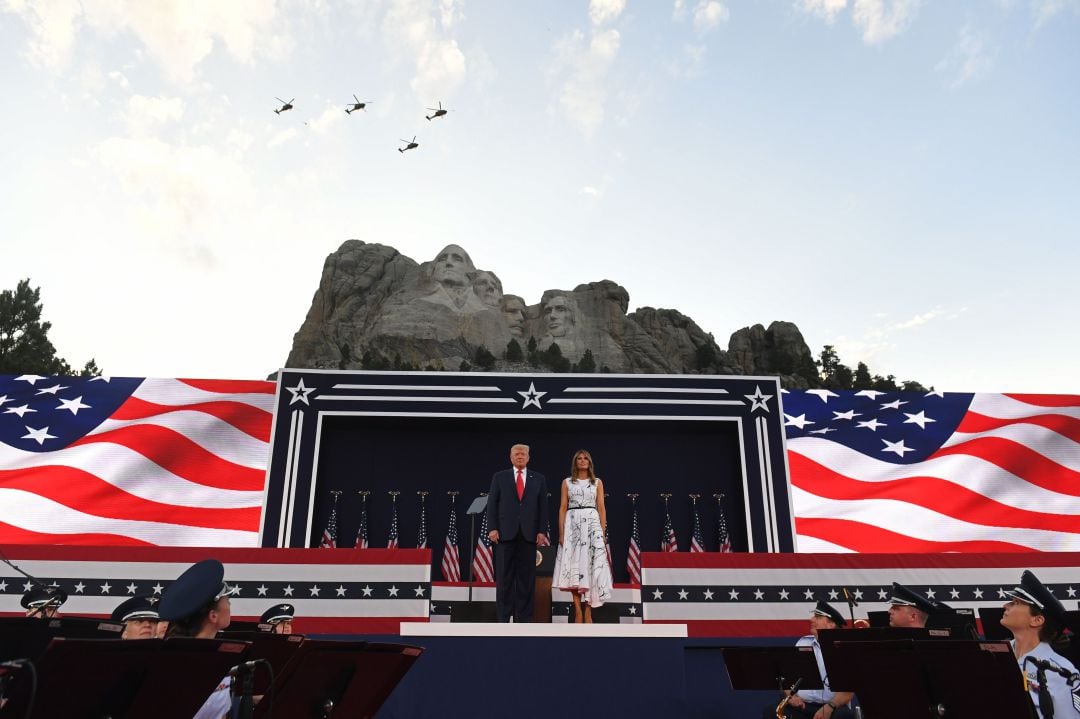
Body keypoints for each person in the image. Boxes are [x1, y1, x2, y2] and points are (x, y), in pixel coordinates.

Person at [158, 559, 241, 719]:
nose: (230, 604)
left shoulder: (221, 657)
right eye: (227, 600)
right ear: (213, 616)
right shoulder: (176, 665)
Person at [1001, 570, 1080, 719]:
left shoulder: (1062, 672)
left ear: (1037, 620)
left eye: (1015, 602)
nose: (1005, 605)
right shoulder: (993, 655)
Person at [486, 443, 550, 622]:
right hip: (504, 535)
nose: (520, 456)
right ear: (511, 457)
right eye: (516, 454)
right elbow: (492, 505)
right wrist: (492, 528)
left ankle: (524, 619)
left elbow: (543, 507)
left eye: (523, 454)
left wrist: (541, 531)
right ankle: (503, 619)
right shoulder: (499, 477)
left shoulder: (539, 479)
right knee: (504, 580)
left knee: (526, 581)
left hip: (529, 536)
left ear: (528, 457)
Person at [766, 601, 856, 719]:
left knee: (844, 716)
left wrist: (830, 707)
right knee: (771, 712)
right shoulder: (803, 643)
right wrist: (790, 697)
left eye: (817, 617)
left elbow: (848, 692)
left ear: (831, 624)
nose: (811, 619)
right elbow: (787, 679)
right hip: (801, 706)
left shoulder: (845, 649)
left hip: (832, 707)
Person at [552, 449, 612, 622]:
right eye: (579, 458)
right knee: (574, 567)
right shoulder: (567, 482)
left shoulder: (597, 482)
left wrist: (602, 531)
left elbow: (601, 507)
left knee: (592, 567)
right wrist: (562, 533)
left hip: (593, 527)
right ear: (575, 462)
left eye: (586, 458)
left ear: (590, 462)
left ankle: (588, 609)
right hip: (573, 525)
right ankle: (577, 609)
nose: (583, 460)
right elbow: (562, 507)